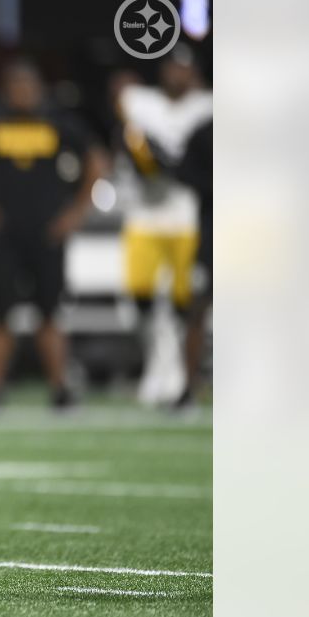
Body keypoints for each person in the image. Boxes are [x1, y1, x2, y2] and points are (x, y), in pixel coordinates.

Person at [0, 59, 104, 409]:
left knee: (50, 312)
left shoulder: (58, 120)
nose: (22, 93)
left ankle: (60, 387)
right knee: (1, 314)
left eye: (28, 85)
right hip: (5, 232)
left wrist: (75, 212)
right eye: (16, 85)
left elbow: (95, 160)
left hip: (47, 232)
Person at [114, 48, 212, 404]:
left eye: (184, 69)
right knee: (139, 298)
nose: (177, 75)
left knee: (186, 303)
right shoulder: (140, 102)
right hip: (144, 213)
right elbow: (125, 119)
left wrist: (172, 165)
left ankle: (173, 372)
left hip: (186, 214)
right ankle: (156, 363)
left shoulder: (206, 106)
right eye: (172, 67)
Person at [174, 119, 211, 409]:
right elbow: (184, 172)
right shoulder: (204, 132)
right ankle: (188, 387)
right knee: (197, 308)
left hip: (259, 230)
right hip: (213, 232)